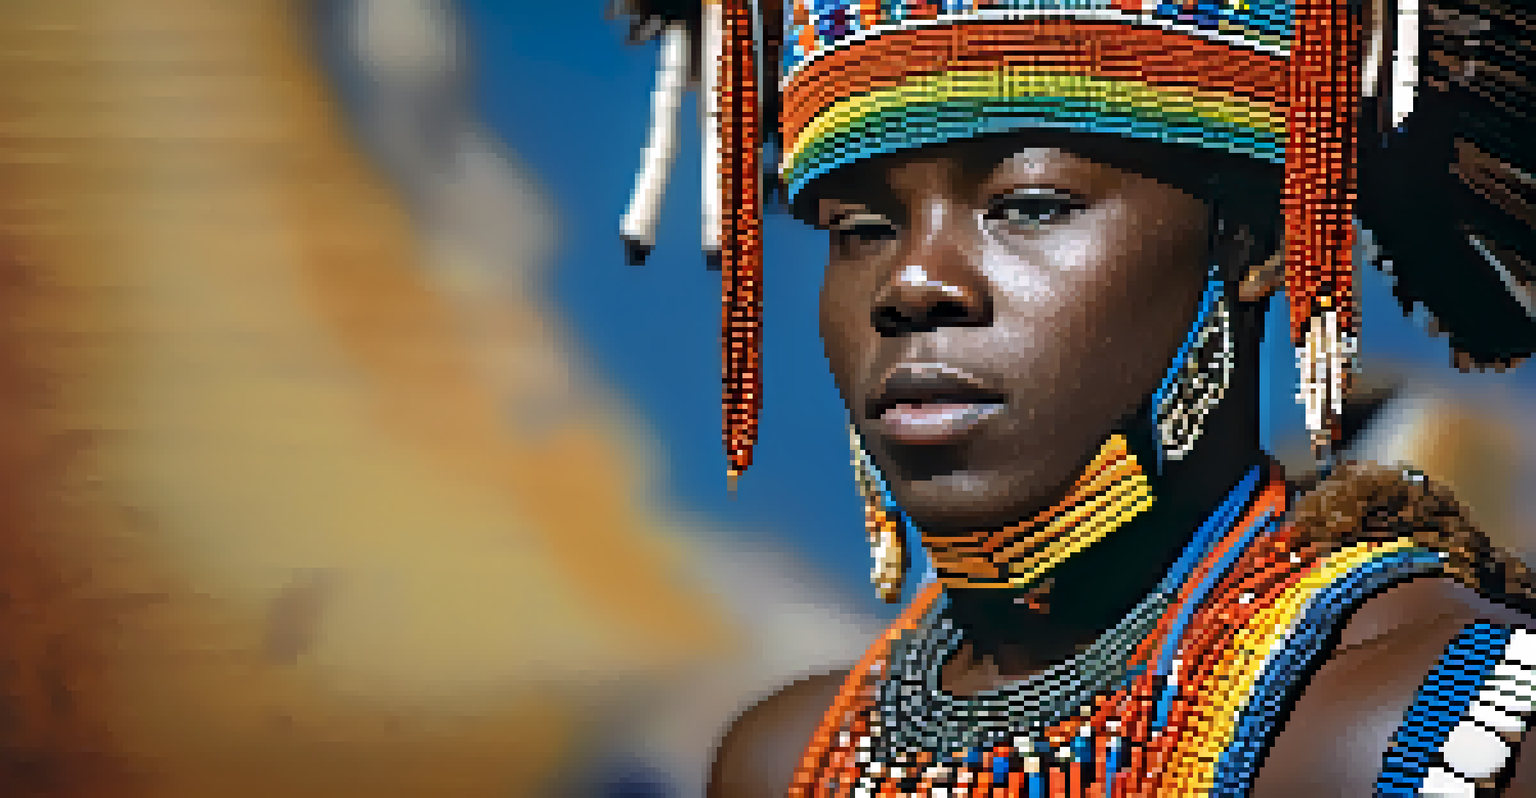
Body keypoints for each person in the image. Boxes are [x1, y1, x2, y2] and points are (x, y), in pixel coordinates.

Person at [612, 0, 1535, 794]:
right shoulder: (785, 762)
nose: (913, 282)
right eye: (862, 227)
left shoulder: (1401, 735)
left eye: (1032, 204)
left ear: (1257, 243)